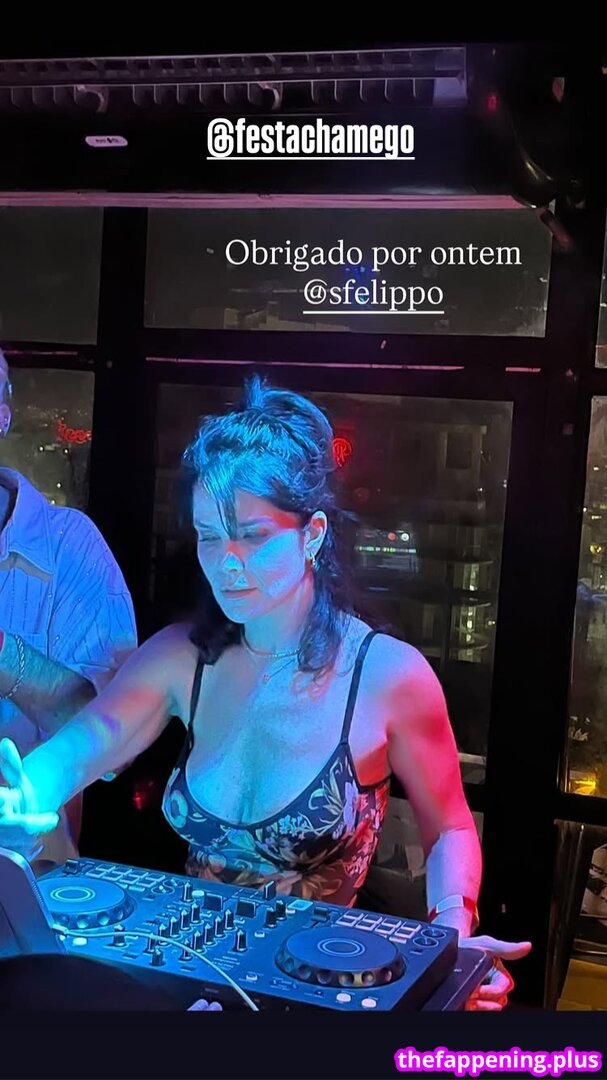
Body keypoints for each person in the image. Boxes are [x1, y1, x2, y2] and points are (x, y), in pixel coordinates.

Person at [0, 376, 530, 1010]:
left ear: (312, 534)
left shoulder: (388, 676)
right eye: (209, 536)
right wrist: (25, 792)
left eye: (252, 536)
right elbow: (86, 744)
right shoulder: (181, 657)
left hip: (323, 991)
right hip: (191, 981)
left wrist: (452, 936)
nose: (226, 562)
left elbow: (450, 827)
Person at [0, 348, 138, 871]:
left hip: (24, 884)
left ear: (3, 415)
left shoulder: (68, 547)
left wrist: (3, 654)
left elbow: (116, 745)